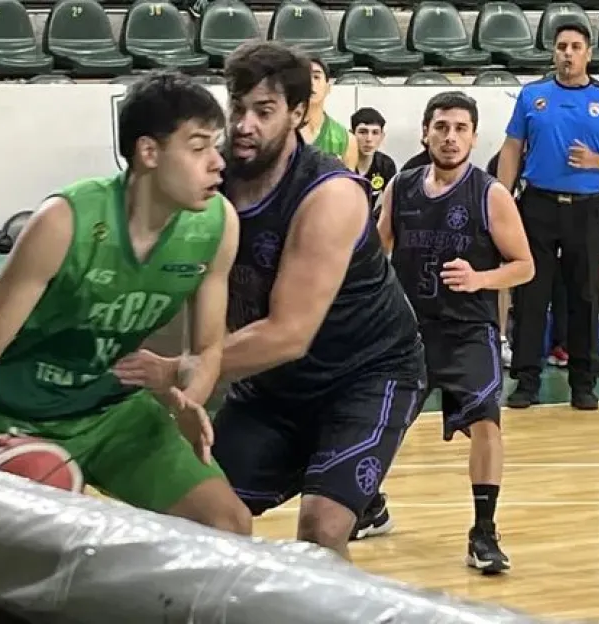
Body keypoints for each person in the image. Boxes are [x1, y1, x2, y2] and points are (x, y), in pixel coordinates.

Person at [118, 42, 426, 560]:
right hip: (274, 388)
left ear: (299, 113)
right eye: (237, 108)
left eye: (264, 111)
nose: (244, 125)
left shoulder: (330, 194)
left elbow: (289, 333)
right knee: (199, 512)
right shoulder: (211, 184)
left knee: (322, 530)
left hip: (367, 376)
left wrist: (176, 369)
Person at [0, 71, 252, 535]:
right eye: (198, 146)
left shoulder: (218, 224)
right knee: (40, 555)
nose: (217, 163)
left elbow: (206, 350)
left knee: (230, 524)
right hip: (19, 419)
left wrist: (191, 399)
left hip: (113, 413)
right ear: (149, 152)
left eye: (216, 145)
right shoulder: (64, 222)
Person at [369, 91, 534, 575]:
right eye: (441, 127)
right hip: (409, 332)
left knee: (486, 421)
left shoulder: (490, 194)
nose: (450, 136)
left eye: (460, 128)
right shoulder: (400, 188)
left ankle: (483, 531)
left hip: (467, 331)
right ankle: (370, 505)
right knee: (375, 423)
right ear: (426, 132)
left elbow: (524, 266)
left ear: (474, 137)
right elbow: (375, 254)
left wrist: (481, 279)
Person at [497, 23, 599, 411]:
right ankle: (526, 381)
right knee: (531, 294)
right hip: (537, 206)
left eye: (576, 47)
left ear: (588, 54)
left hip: (586, 207)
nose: (568, 53)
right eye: (561, 46)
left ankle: (584, 382)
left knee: (584, 294)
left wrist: (598, 161)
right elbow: (512, 148)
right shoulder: (533, 96)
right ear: (553, 53)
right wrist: (502, 197)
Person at [299, 57, 359, 170]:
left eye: (316, 77)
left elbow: (347, 185)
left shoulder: (346, 139)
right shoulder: (283, 132)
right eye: (305, 77)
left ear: (328, 88)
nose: (311, 82)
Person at [349, 107, 397, 218]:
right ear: (352, 134)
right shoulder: (340, 163)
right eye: (363, 132)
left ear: (382, 136)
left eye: (375, 132)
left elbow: (393, 204)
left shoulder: (385, 165)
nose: (369, 139)